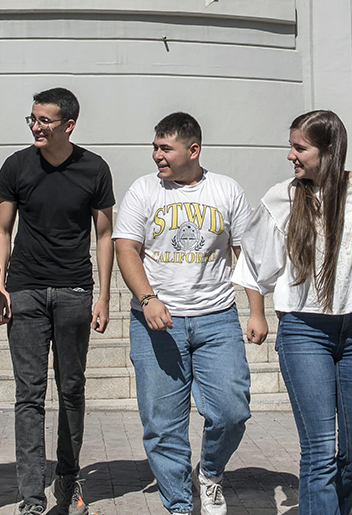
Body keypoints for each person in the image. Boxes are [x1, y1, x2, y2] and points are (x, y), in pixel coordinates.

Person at [233, 110, 352, 515]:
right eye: (291, 146)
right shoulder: (280, 197)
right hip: (303, 331)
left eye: (300, 147)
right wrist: (257, 312)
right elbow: (253, 260)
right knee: (319, 452)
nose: (291, 155)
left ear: (329, 150)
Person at [113, 112, 265, 515]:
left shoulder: (226, 190)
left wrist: (256, 311)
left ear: (193, 150)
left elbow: (243, 254)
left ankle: (210, 473)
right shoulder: (143, 190)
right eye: (155, 146)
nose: (156, 155)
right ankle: (179, 505)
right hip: (156, 323)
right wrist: (148, 298)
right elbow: (125, 248)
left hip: (217, 318)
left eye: (165, 148)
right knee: (163, 424)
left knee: (232, 410)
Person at [0, 87, 115, 515]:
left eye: (44, 120)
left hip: (73, 292)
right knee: (29, 394)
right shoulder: (17, 165)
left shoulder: (94, 168)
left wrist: (103, 295)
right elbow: (3, 230)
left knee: (72, 389)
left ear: (69, 124)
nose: (35, 127)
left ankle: (67, 479)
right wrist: (0, 284)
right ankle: (31, 498)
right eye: (32, 119)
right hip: (25, 291)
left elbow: (103, 236)